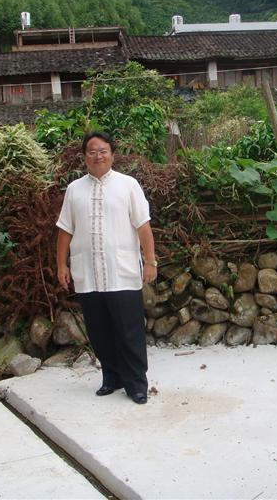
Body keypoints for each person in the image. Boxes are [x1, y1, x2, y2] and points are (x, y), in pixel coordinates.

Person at [56, 132, 157, 404]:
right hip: (87, 272)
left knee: (129, 330)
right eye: (92, 151)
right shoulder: (74, 189)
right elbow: (65, 230)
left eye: (103, 151)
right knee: (99, 330)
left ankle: (136, 383)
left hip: (121, 272)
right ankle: (111, 377)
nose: (97, 156)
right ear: (84, 156)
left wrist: (150, 260)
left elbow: (143, 226)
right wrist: (61, 265)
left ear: (112, 154)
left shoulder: (128, 185)